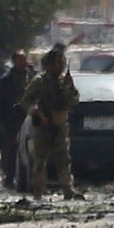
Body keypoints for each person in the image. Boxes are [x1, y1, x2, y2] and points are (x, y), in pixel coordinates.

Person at [19, 44, 82, 200]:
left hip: (61, 125)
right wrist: (37, 112)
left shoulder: (64, 81)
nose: (61, 65)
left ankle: (68, 189)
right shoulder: (40, 81)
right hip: (44, 126)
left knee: (64, 160)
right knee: (40, 161)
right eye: (59, 62)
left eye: (63, 62)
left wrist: (70, 87)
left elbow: (74, 100)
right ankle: (38, 191)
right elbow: (26, 101)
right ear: (51, 64)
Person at [0, 49, 35, 188]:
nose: (23, 63)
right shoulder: (6, 80)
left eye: (24, 59)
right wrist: (0, 121)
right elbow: (0, 101)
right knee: (12, 148)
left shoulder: (33, 77)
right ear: (14, 61)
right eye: (20, 60)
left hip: (30, 117)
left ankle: (30, 177)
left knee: (31, 148)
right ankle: (10, 177)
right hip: (12, 118)